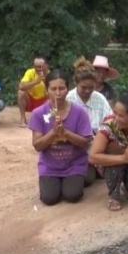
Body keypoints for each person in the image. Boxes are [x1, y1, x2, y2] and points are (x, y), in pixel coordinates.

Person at [28, 70, 93, 206]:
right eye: (53, 89)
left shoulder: (79, 112)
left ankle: (85, 174)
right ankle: (78, 178)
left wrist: (66, 133)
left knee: (73, 195)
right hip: (49, 165)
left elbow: (85, 143)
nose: (58, 93)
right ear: (47, 90)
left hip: (74, 163)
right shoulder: (38, 113)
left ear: (67, 89)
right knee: (49, 199)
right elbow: (37, 146)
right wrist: (53, 132)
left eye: (62, 88)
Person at [67, 56, 113, 134]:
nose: (87, 91)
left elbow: (110, 121)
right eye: (83, 87)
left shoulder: (100, 99)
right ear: (76, 83)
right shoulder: (68, 99)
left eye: (91, 87)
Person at [17, 55, 49, 127]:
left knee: (52, 96)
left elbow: (52, 93)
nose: (38, 69)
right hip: (30, 101)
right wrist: (36, 82)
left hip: (44, 102)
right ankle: (23, 118)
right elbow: (21, 86)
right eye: (36, 66)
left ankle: (47, 117)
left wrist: (45, 81)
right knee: (21, 92)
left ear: (46, 66)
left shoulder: (50, 75)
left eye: (40, 66)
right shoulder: (30, 72)